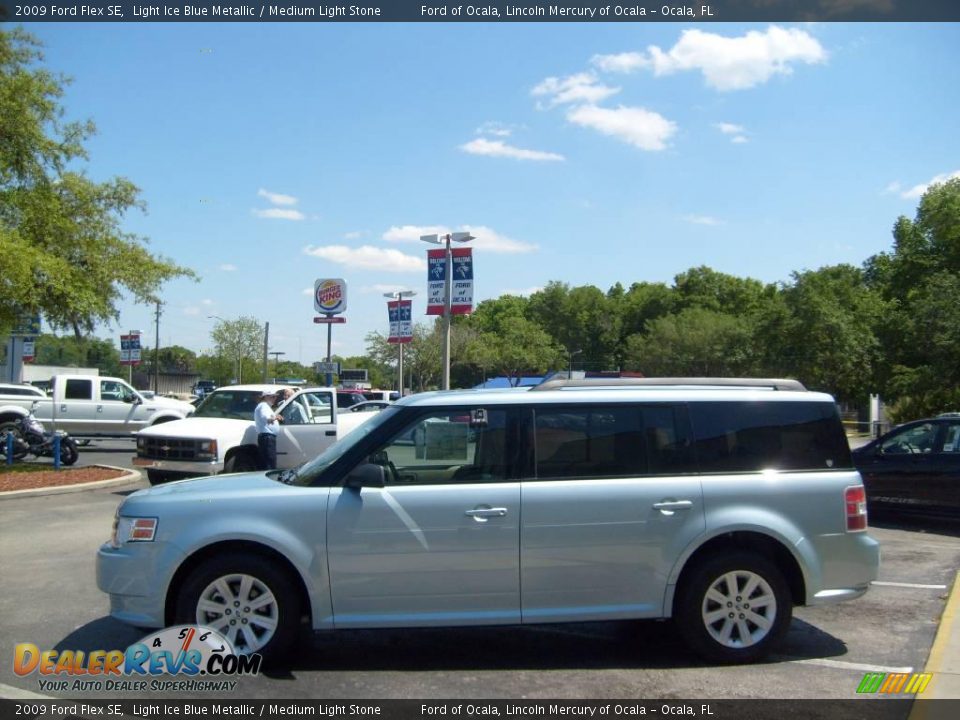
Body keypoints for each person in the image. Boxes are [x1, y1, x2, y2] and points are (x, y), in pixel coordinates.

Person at [254, 390, 283, 469]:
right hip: (267, 438)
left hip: (267, 437)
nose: (275, 399)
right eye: (273, 397)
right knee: (269, 463)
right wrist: (275, 417)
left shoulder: (265, 406)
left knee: (268, 462)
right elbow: (265, 417)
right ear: (266, 397)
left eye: (276, 397)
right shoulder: (263, 405)